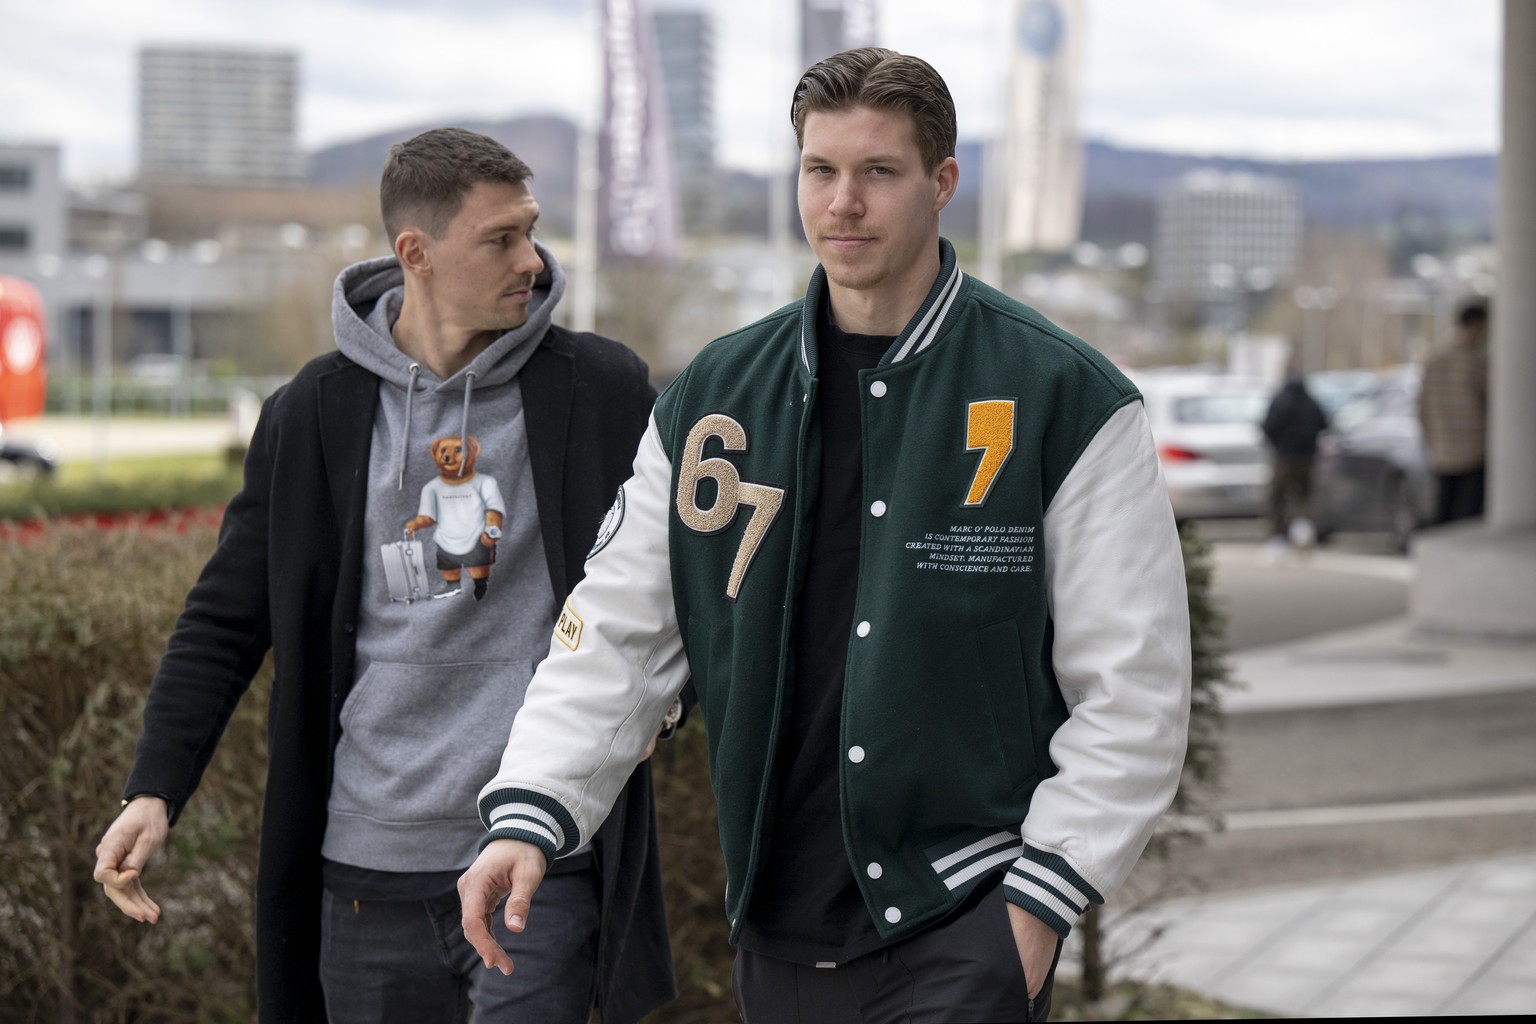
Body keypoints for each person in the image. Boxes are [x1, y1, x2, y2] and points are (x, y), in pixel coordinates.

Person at [460, 48, 1190, 1023]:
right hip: (776, 929)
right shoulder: (714, 401)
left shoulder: (1065, 397)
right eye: (820, 170)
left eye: (878, 172)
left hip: (963, 921)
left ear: (942, 183)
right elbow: (621, 632)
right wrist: (533, 809)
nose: (843, 202)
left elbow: (1135, 689)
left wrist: (1037, 906)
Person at [92, 128, 676, 1024]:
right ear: (417, 254)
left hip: (540, 854)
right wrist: (155, 788)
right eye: (500, 240)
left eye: (530, 230)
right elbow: (224, 619)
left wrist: (663, 714)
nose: (532, 259)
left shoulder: (600, 390)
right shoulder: (312, 413)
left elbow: (674, 580)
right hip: (365, 870)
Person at [1418, 299, 1489, 524]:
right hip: (1473, 453)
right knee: (1467, 522)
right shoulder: (1475, 362)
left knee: (1444, 516)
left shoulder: (1434, 359)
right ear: (1477, 325)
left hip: (1441, 452)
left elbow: (1421, 407)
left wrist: (1432, 441)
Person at [1260, 368, 1329, 559]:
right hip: (1307, 458)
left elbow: (1267, 427)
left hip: (1284, 458)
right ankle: (1304, 531)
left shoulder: (1280, 401)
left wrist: (1278, 444)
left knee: (1277, 498)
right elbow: (1325, 424)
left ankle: (1278, 538)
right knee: (1304, 498)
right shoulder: (1311, 402)